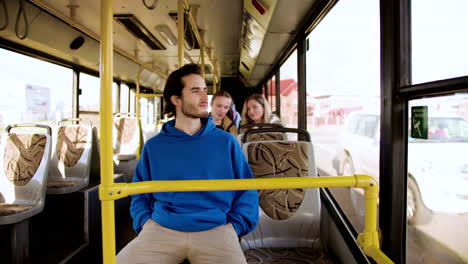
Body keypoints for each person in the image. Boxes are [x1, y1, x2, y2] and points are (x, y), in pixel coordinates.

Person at [117, 64, 259, 264]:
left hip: (216, 229)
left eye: (204, 90)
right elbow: (139, 192)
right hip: (161, 228)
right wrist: (145, 222)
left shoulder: (226, 142)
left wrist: (235, 226)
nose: (204, 97)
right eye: (195, 91)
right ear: (176, 100)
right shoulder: (154, 146)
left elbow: (248, 189)